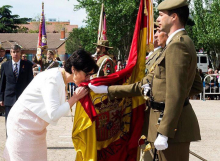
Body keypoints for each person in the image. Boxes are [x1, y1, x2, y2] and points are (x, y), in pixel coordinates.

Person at [89, 0, 202, 160]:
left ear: (174, 17)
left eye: (162, 15)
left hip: (170, 129)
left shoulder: (177, 46)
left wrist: (165, 130)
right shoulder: (180, 43)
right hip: (164, 122)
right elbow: (194, 85)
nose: (157, 19)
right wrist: (108, 90)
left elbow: (176, 93)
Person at [3, 49, 99, 161]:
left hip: (37, 128)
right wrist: (75, 98)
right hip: (22, 125)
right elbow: (54, 114)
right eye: (87, 74)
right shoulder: (52, 79)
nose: (88, 79)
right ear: (74, 69)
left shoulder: (61, 78)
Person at [0, 45, 33, 133]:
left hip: (23, 99)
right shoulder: (5, 66)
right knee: (9, 122)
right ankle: (9, 142)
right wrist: (1, 98)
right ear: (10, 53)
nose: (15, 54)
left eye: (17, 52)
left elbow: (30, 83)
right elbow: (2, 83)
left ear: (20, 53)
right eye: (13, 52)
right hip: (9, 98)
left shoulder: (28, 65)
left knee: (22, 122)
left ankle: (21, 141)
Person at [0, 46, 9, 116]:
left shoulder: (7, 60)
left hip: (2, 79)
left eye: (2, 51)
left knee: (2, 95)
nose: (1, 53)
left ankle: (2, 110)